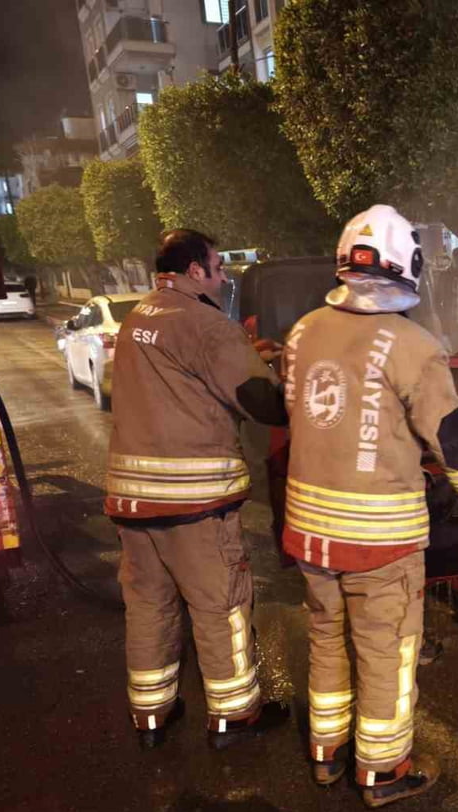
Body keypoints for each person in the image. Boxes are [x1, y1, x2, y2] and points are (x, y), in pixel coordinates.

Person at [281, 204, 458, 808]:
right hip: (380, 541)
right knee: (386, 655)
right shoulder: (415, 346)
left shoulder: (302, 333)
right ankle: (382, 769)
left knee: (327, 640)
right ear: (410, 268)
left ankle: (327, 754)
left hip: (309, 534)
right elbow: (453, 444)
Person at [105, 228, 291, 751]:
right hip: (194, 503)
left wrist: (244, 353)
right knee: (220, 606)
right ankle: (235, 717)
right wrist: (281, 381)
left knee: (149, 606)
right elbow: (261, 402)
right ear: (194, 271)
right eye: (217, 265)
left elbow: (182, 377)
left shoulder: (139, 316)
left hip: (134, 503)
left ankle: (151, 715)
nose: (224, 274)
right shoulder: (207, 324)